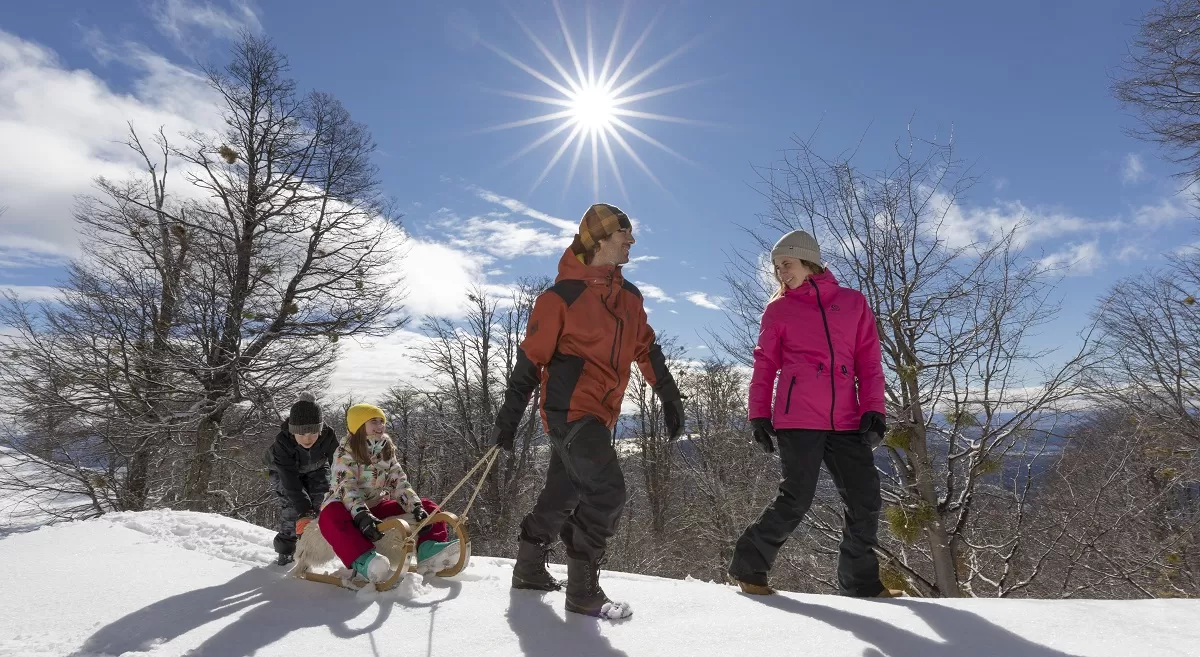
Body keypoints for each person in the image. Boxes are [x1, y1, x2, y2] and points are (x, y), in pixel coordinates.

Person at [490, 203, 685, 619]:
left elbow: (645, 347)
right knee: (608, 491)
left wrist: (669, 395)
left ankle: (527, 570)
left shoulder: (629, 297)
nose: (631, 241)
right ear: (598, 241)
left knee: (564, 492)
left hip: (602, 414)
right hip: (570, 411)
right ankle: (582, 591)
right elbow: (531, 361)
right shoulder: (560, 297)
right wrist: (508, 418)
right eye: (624, 235)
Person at [727, 229, 901, 598]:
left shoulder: (853, 303)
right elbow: (764, 365)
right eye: (776, 268)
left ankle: (860, 583)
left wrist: (874, 409)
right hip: (798, 417)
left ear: (809, 261)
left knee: (865, 499)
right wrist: (758, 414)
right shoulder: (779, 309)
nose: (780, 273)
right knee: (797, 498)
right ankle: (749, 566)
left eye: (785, 264)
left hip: (846, 418)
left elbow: (869, 362)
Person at [317, 403, 459, 583]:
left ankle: (429, 550)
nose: (380, 426)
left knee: (428, 505)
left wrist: (414, 506)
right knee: (329, 515)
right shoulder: (345, 451)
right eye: (373, 421)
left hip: (376, 505)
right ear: (359, 425)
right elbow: (346, 485)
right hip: (346, 507)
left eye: (381, 421)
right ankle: (365, 561)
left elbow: (399, 481)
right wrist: (361, 515)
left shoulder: (385, 450)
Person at [265, 391, 338, 566]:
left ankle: (313, 544)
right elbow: (291, 482)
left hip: (316, 468)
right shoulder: (282, 443)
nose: (308, 438)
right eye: (302, 434)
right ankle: (286, 550)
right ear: (293, 431)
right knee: (294, 510)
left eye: (313, 433)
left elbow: (338, 465)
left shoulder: (328, 436)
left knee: (323, 502)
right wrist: (304, 510)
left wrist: (341, 488)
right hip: (284, 471)